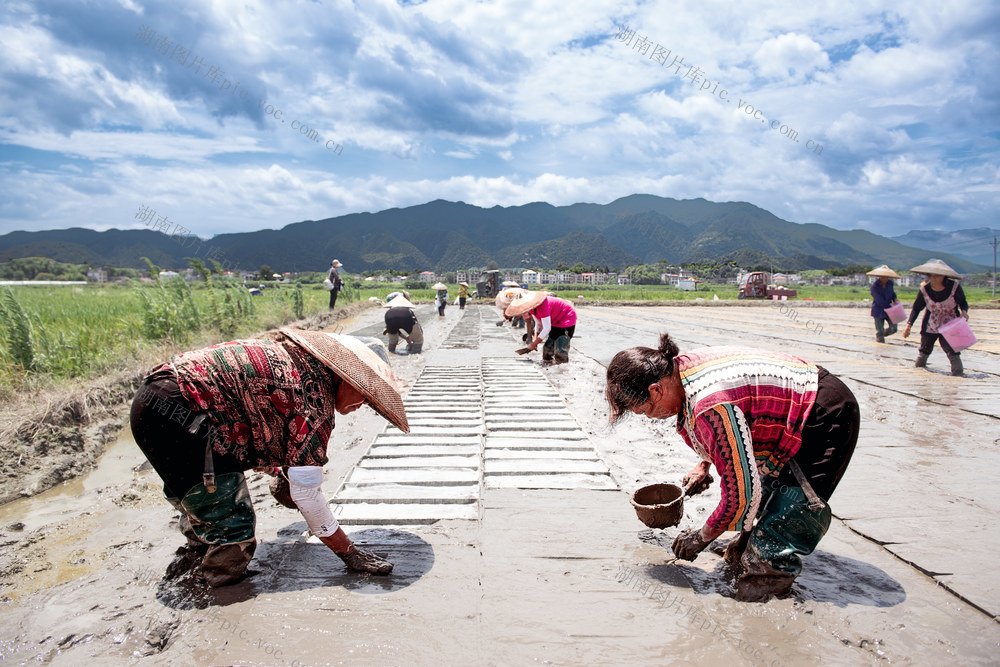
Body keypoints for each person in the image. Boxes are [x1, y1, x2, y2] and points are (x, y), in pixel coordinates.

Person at [129, 328, 409, 587]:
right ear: (345, 376)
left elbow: (251, 422)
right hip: (184, 411)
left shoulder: (298, 365)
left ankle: (197, 552)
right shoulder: (315, 401)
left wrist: (280, 473)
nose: (363, 403)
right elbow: (307, 495)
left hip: (153, 400)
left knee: (202, 500)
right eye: (365, 393)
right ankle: (215, 589)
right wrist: (349, 553)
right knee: (232, 527)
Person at [605, 333, 859, 602]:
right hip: (786, 406)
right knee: (763, 494)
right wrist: (703, 465)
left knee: (785, 519)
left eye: (645, 410)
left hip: (822, 412)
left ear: (656, 390)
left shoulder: (710, 405)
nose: (651, 418)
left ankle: (769, 587)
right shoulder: (679, 371)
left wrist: (701, 537)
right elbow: (729, 427)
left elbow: (741, 495)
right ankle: (748, 545)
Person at [902, 259, 970, 376]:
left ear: (944, 276)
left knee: (953, 351)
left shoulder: (954, 288)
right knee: (924, 351)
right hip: (930, 325)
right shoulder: (924, 290)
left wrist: (964, 311)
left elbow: (963, 302)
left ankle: (958, 375)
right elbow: (916, 308)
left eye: (937, 276)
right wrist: (909, 324)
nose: (933, 278)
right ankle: (919, 372)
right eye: (931, 276)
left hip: (950, 324)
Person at [506, 291, 576, 364]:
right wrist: (535, 340)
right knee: (547, 348)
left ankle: (562, 367)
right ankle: (549, 366)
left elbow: (547, 328)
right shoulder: (533, 309)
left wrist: (533, 344)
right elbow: (539, 324)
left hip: (566, 319)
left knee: (561, 350)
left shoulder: (543, 306)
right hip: (555, 321)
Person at [867, 265, 901, 343]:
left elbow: (892, 293)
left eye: (886, 277)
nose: (884, 278)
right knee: (879, 332)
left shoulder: (890, 284)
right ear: (879, 277)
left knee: (894, 328)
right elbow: (879, 301)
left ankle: (883, 334)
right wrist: (891, 307)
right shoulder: (874, 287)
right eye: (883, 277)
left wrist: (895, 299)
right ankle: (880, 340)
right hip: (878, 310)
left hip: (890, 309)